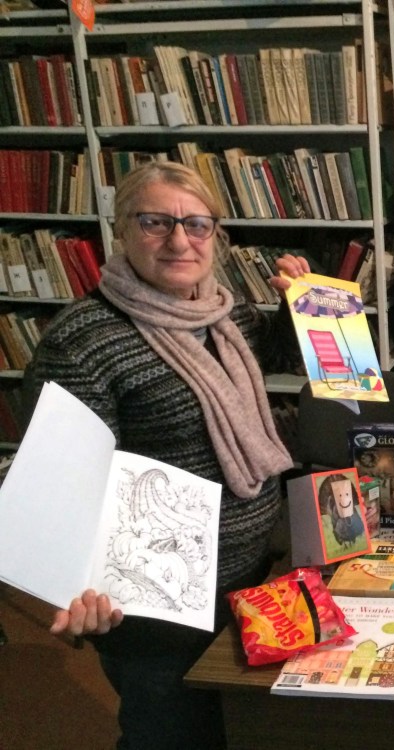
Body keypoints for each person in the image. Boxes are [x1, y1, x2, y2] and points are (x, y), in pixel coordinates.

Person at [22, 161, 309, 749]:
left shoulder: (225, 311)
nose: (180, 241)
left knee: (245, 731)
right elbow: (59, 488)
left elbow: (276, 357)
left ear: (215, 235)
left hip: (250, 578)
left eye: (196, 224)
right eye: (156, 222)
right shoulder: (82, 342)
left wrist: (300, 307)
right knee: (172, 735)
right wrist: (75, 588)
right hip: (159, 612)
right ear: (122, 230)